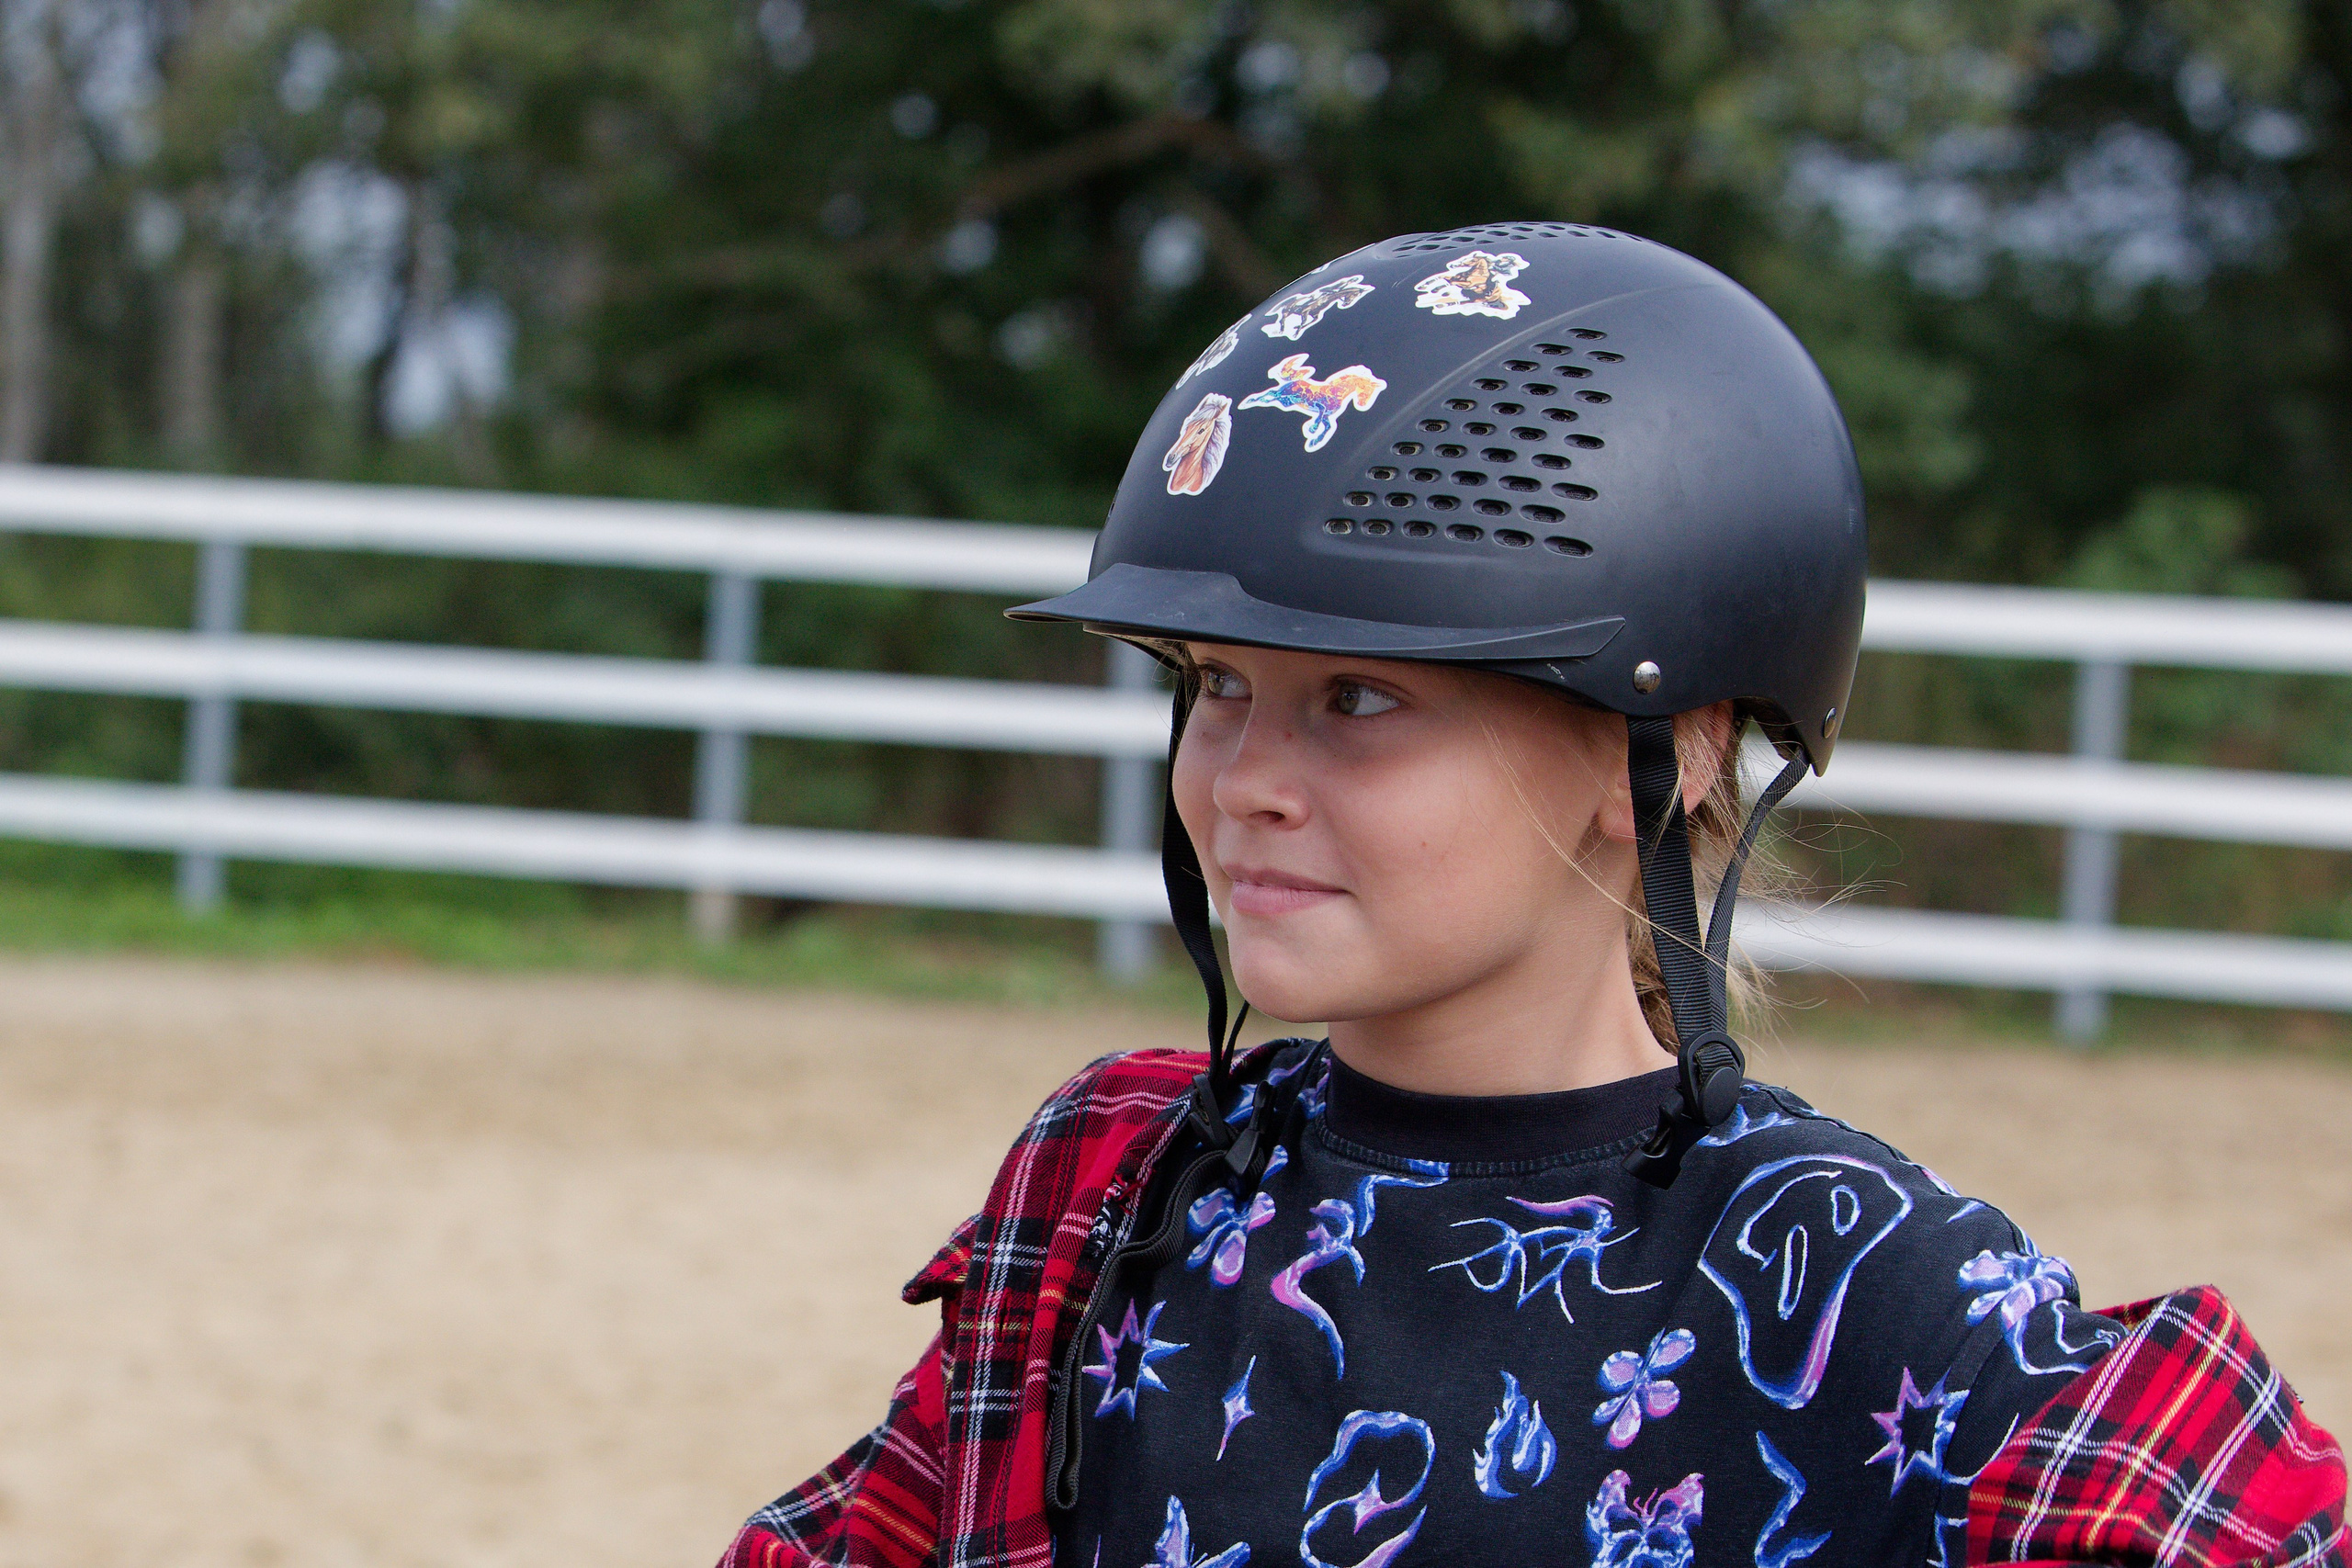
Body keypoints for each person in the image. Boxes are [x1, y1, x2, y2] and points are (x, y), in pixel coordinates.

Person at [717, 226, 2346, 1568]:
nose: (1246, 777)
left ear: (1676, 749)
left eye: (1360, 696)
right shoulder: (1119, 1190)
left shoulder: (1850, 1277)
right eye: (1217, 685)